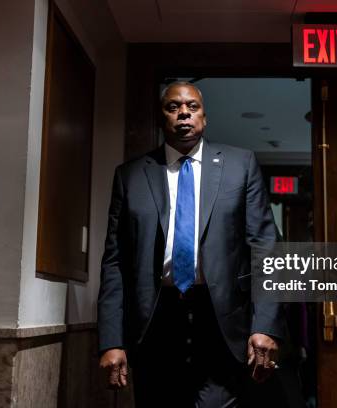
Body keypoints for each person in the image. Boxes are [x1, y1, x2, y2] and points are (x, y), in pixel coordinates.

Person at [97, 81, 285, 407]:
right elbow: (114, 261)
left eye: (192, 106)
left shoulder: (240, 166)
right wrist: (111, 341)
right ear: (161, 118)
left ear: (204, 117)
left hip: (221, 321)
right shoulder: (130, 176)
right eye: (173, 107)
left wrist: (265, 325)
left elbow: (265, 250)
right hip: (155, 322)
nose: (183, 112)